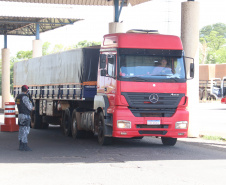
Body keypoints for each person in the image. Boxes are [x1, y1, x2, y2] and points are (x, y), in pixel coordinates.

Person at [15, 85, 33, 151]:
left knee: (21, 130)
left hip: (20, 115)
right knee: (25, 130)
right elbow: (30, 107)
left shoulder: (18, 97)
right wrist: (30, 100)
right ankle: (24, 145)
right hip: (25, 115)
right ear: (27, 90)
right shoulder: (25, 97)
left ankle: (20, 145)